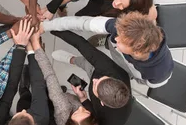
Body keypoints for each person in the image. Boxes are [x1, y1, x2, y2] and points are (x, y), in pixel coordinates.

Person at [45, 13, 174, 88]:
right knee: (110, 43)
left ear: (137, 52)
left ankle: (73, 59)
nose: (116, 38)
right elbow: (81, 22)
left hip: (129, 70)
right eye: (118, 35)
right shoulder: (125, 29)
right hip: (121, 55)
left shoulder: (159, 72)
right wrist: (45, 26)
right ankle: (105, 44)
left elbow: (151, 83)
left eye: (121, 41)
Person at [44, 27, 132, 125]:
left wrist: (83, 98)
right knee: (87, 63)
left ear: (101, 102)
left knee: (87, 66)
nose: (94, 79)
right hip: (105, 69)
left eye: (95, 84)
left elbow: (94, 116)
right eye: (101, 80)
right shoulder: (113, 70)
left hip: (103, 77)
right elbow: (81, 43)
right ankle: (73, 59)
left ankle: (72, 59)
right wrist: (50, 27)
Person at [30, 28, 104, 125]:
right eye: (86, 111)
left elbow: (50, 76)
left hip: (59, 101)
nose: (81, 108)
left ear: (69, 122)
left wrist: (37, 47)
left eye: (76, 113)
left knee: (52, 92)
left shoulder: (63, 108)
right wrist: (82, 98)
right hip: (70, 99)